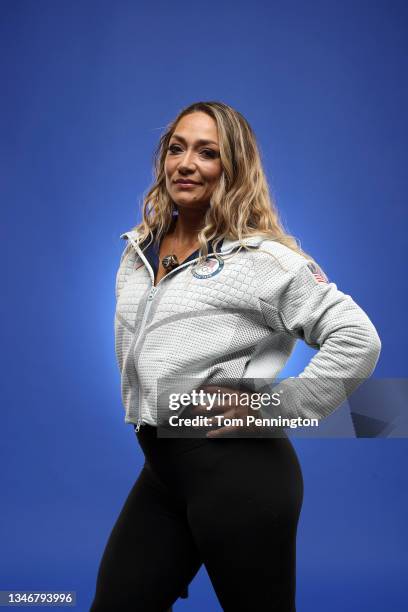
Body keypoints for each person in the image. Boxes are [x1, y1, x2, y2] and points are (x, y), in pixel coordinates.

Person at [90, 101, 381, 611]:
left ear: (234, 169)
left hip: (241, 476)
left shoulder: (263, 260)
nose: (186, 164)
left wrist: (276, 406)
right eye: (176, 149)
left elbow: (357, 338)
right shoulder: (139, 249)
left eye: (207, 153)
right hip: (163, 473)